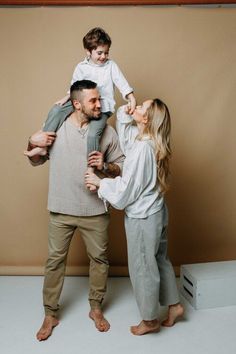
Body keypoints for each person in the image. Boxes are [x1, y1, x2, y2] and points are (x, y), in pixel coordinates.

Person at [26, 80, 124, 341]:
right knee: (55, 262)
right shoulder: (56, 126)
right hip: (61, 209)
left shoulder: (106, 132)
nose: (99, 105)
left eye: (100, 100)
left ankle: (95, 308)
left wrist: (105, 166)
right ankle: (50, 314)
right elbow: (36, 158)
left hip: (95, 210)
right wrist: (30, 142)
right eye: (93, 101)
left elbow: (121, 167)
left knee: (100, 261)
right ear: (76, 103)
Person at [85, 99, 184, 335]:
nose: (135, 107)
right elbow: (126, 131)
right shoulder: (146, 141)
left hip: (143, 217)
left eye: (141, 107)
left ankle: (150, 321)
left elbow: (127, 191)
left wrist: (100, 183)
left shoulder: (142, 150)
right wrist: (128, 111)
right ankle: (175, 305)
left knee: (143, 267)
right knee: (160, 259)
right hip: (157, 210)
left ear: (147, 119)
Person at [24, 27, 136, 166]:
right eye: (99, 53)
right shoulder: (81, 67)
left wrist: (130, 97)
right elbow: (74, 86)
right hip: (82, 102)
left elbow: (121, 82)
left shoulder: (111, 66)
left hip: (102, 108)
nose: (103, 56)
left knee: (93, 135)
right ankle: (43, 147)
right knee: (56, 110)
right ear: (88, 51)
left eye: (106, 53)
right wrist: (66, 98)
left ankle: (91, 168)